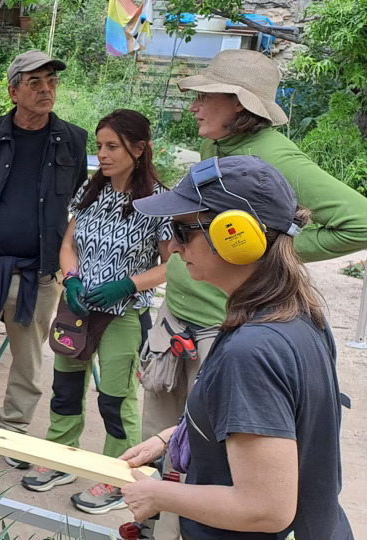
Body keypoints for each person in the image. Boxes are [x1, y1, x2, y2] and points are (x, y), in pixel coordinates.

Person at [141, 48, 367, 539]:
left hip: (225, 332)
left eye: (207, 95)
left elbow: (359, 221)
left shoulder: (274, 157)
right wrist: (173, 437)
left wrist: (269, 247)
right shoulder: (297, 315)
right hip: (215, 319)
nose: (195, 105)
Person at [120, 155, 352, 540]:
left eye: (181, 230)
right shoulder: (295, 313)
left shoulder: (252, 350)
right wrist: (172, 437)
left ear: (235, 235)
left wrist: (160, 493)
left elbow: (265, 510)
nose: (174, 248)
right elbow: (273, 422)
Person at [19, 110, 170, 514]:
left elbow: (174, 262)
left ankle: (119, 475)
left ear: (138, 149)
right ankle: (60, 457)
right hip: (78, 307)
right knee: (65, 385)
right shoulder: (92, 189)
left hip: (124, 313)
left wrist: (129, 283)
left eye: (112, 147)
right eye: (99, 146)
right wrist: (70, 278)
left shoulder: (159, 199)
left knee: (116, 398)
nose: (101, 154)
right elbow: (69, 242)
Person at [0, 50, 88, 461]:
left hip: (39, 273)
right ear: (13, 90)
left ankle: (14, 431)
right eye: (35, 82)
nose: (46, 89)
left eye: (52, 82)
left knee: (28, 360)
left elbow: (74, 201)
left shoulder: (73, 139)